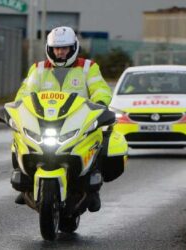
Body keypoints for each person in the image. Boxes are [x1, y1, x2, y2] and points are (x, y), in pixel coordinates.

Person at [13, 26, 115, 212]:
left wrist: (100, 102)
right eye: (56, 48)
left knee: (98, 142)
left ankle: (93, 190)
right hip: (45, 121)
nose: (60, 52)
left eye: (65, 48)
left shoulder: (88, 67)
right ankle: (26, 180)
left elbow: (100, 88)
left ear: (73, 47)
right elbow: (25, 92)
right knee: (18, 140)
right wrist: (18, 106)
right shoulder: (38, 69)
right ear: (50, 49)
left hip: (77, 122)